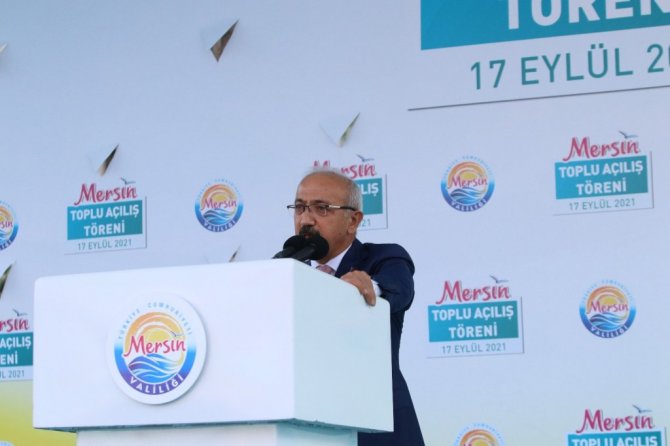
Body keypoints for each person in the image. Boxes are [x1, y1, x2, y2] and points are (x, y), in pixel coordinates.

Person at [288, 169, 425, 446]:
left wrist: (369, 287)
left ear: (353, 220)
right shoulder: (285, 273)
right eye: (300, 207)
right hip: (301, 428)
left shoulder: (383, 258)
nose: (306, 219)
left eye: (321, 208)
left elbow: (399, 288)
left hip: (375, 428)